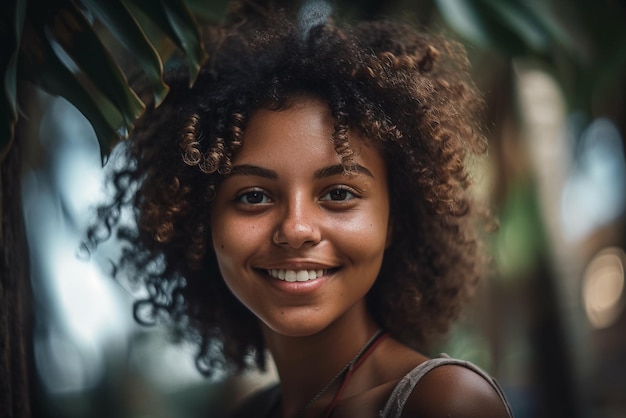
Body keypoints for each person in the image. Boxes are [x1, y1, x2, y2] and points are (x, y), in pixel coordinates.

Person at [88, 1, 514, 417]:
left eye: (339, 193)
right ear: (200, 221)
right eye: (253, 196)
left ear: (392, 221)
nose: (296, 228)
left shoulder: (444, 402)